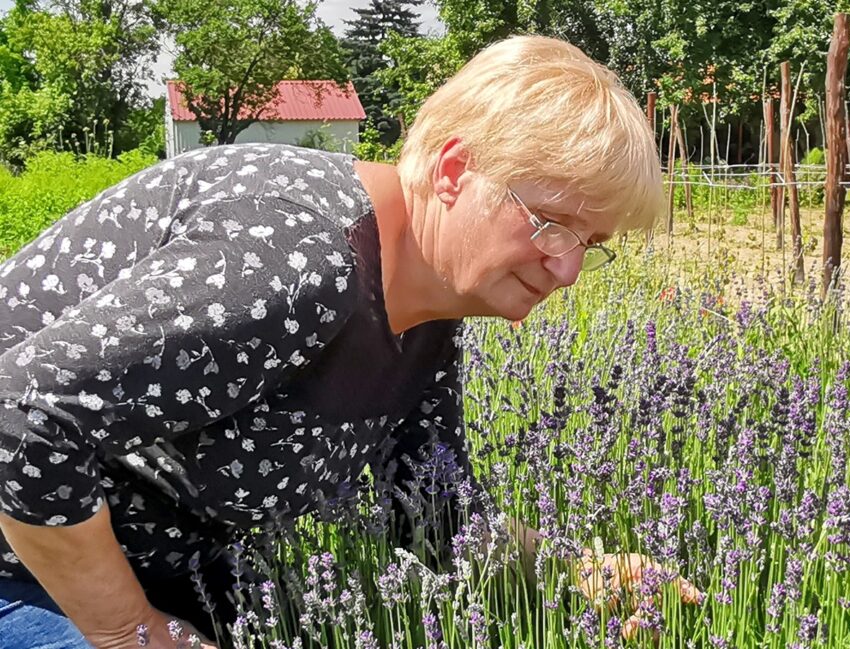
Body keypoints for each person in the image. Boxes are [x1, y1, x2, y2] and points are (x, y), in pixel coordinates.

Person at [0, 34, 693, 648]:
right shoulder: (301, 260)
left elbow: (430, 514)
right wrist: (131, 632)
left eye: (590, 243)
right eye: (552, 222)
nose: (567, 267)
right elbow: (20, 417)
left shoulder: (427, 310)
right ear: (454, 171)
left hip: (155, 571)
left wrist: (578, 568)